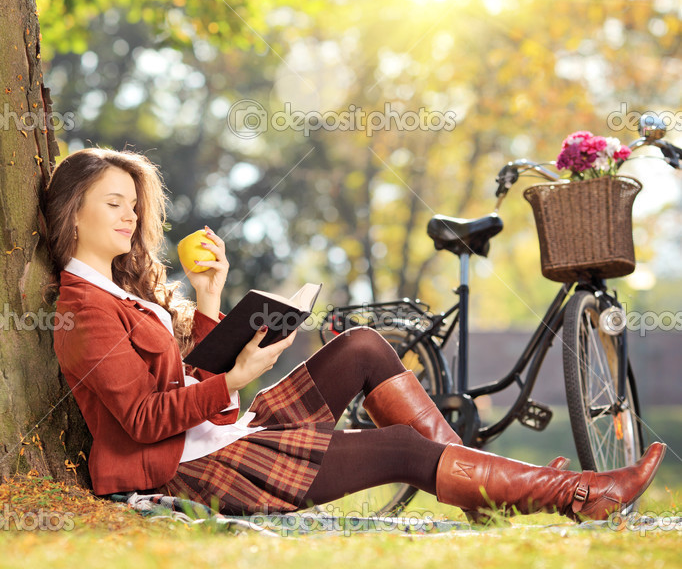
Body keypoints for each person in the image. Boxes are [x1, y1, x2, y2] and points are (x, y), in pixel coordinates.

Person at [42, 146, 665, 523]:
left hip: (213, 435)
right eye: (114, 203)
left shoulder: (122, 295)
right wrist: (236, 376)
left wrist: (210, 299)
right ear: (74, 212)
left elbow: (193, 386)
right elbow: (145, 422)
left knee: (364, 345)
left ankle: (481, 484)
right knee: (403, 451)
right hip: (190, 469)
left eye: (133, 205)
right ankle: (580, 494)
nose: (131, 217)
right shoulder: (86, 309)